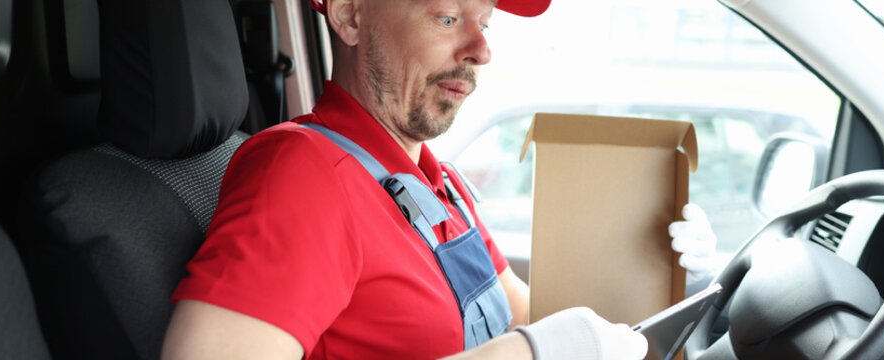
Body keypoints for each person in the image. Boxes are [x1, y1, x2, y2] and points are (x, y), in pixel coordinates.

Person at [161, 0, 716, 358]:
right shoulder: (303, 175)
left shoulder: (436, 185)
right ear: (351, 15)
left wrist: (656, 275)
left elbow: (538, 319)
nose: (482, 50)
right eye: (448, 16)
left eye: (486, 22)